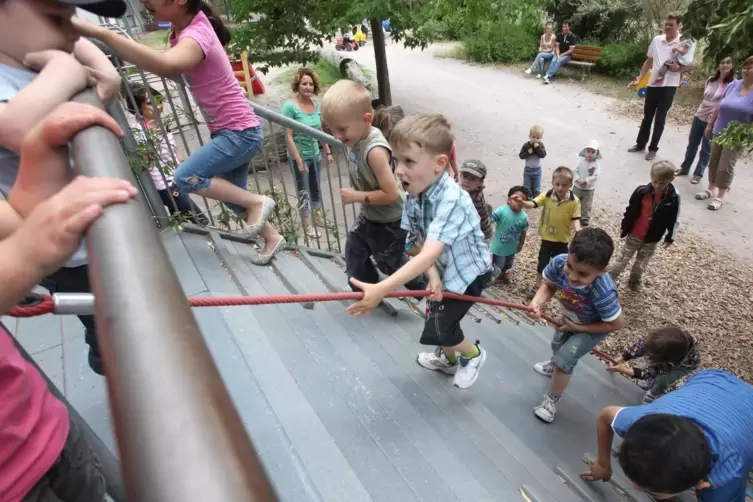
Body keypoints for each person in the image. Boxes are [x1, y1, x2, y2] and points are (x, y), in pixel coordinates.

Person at [74, 0, 286, 264]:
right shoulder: (183, 29)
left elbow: (169, 65)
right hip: (230, 131)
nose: (144, 2)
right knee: (233, 198)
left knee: (186, 177)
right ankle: (273, 237)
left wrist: (103, 34)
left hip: (239, 132)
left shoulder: (196, 33)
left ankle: (257, 202)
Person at [0, 102, 138, 502]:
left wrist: (39, 158)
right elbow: (20, 243)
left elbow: (15, 222)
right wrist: (24, 257)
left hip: (37, 419)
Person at [0, 0, 127, 376]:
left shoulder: (25, 56)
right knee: (110, 327)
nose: (73, 33)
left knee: (125, 307)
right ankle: (108, 359)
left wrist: (104, 69)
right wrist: (65, 67)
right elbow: (20, 130)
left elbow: (79, 45)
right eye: (56, 18)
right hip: (69, 249)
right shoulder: (16, 75)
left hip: (100, 225)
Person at [347, 113, 492, 389]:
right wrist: (434, 278)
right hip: (443, 268)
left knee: (440, 326)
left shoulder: (453, 200)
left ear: (439, 164)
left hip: (470, 273)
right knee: (433, 316)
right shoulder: (415, 193)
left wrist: (383, 288)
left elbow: (427, 252)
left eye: (409, 161)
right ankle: (448, 361)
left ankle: (472, 355)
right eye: (397, 161)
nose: (398, 170)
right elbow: (419, 244)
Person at [581, 370, 753, 502]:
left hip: (722, 391)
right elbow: (606, 416)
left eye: (654, 490)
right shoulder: (641, 422)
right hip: (711, 380)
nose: (635, 487)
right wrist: (603, 464)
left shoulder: (727, 475)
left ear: (701, 484)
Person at [321, 79, 426, 293]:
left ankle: (425, 286)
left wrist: (356, 196)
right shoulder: (356, 137)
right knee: (355, 248)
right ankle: (364, 288)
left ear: (366, 119)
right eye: (332, 129)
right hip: (372, 215)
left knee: (390, 262)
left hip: (390, 220)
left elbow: (390, 194)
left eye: (341, 129)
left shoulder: (375, 152)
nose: (337, 136)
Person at [526, 227, 625, 423]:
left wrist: (578, 329)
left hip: (590, 328)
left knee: (565, 359)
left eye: (582, 274)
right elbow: (549, 286)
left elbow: (616, 324)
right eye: (570, 267)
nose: (572, 276)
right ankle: (554, 365)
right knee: (557, 346)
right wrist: (537, 302)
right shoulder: (559, 261)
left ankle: (551, 401)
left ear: (603, 270)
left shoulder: (603, 291)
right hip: (570, 318)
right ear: (569, 249)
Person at [126, 83, 209, 225]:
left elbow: (173, 150)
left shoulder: (157, 123)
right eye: (149, 103)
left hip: (176, 178)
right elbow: (145, 164)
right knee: (201, 220)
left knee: (178, 220)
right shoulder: (141, 132)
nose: (157, 105)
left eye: (158, 100)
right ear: (138, 107)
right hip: (166, 186)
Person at [628, 13, 697, 161]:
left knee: (660, 118)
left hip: (669, 86)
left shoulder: (685, 42)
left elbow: (693, 64)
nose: (667, 27)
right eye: (666, 24)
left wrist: (678, 69)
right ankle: (640, 144)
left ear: (678, 25)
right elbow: (648, 62)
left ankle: (653, 148)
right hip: (653, 84)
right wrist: (640, 79)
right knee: (647, 116)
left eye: (671, 24)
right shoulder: (657, 40)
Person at [281, 67, 334, 239]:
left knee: (315, 188)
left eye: (311, 84)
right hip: (300, 156)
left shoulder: (315, 105)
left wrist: (327, 151)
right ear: (298, 84)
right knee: (303, 189)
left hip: (315, 156)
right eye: (304, 83)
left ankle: (318, 218)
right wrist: (298, 160)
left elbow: (319, 130)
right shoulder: (290, 107)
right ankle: (307, 225)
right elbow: (288, 136)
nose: (308, 87)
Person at [696, 55, 753, 211]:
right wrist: (710, 125)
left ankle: (720, 196)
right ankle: (710, 188)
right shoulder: (734, 85)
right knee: (713, 160)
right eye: (746, 67)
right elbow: (719, 106)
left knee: (725, 165)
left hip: (736, 135)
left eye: (751, 68)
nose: (747, 70)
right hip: (719, 128)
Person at [611, 161, 679, 291]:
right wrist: (625, 225)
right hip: (635, 232)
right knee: (623, 257)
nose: (658, 186)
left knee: (642, 262)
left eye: (662, 183)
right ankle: (610, 278)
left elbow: (674, 218)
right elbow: (630, 209)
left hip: (652, 237)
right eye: (655, 182)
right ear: (651, 177)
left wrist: (670, 236)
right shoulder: (641, 192)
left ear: (671, 180)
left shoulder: (673, 198)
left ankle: (634, 280)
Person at [515, 166, 581, 295]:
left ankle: (558, 286)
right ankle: (538, 286)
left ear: (570, 185)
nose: (560, 188)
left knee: (562, 264)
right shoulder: (547, 196)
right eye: (557, 184)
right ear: (552, 182)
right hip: (547, 237)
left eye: (564, 185)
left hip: (562, 239)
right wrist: (523, 203)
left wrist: (579, 231)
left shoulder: (575, 201)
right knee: (543, 262)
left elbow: (576, 218)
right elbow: (533, 203)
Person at [677, 57, 735, 184]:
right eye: (722, 62)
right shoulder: (711, 80)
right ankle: (684, 168)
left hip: (715, 119)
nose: (725, 65)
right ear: (718, 65)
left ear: (732, 66)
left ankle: (698, 173)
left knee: (706, 148)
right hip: (700, 115)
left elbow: (726, 103)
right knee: (692, 144)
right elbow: (705, 96)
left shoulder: (732, 85)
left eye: (728, 63)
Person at [607, 326, 700, 403]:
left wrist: (623, 370)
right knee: (649, 364)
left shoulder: (672, 361)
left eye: (652, 354)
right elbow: (640, 346)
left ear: (663, 359)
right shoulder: (660, 338)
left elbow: (648, 373)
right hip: (667, 356)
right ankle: (648, 382)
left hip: (683, 366)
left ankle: (653, 394)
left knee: (662, 379)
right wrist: (622, 358)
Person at [490, 186, 530, 284]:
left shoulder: (524, 216)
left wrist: (521, 243)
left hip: (511, 247)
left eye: (522, 200)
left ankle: (502, 274)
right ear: (509, 200)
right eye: (516, 199)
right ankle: (491, 278)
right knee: (499, 264)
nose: (519, 202)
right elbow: (490, 220)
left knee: (508, 264)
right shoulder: (502, 211)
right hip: (499, 247)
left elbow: (523, 231)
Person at [458, 160, 493, 241]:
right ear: (460, 176)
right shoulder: (472, 189)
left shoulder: (475, 200)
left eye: (473, 179)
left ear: (480, 182)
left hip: (482, 234)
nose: (467, 181)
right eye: (465, 176)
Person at [572, 140, 601, 227]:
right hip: (577, 186)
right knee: (574, 201)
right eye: (588, 151)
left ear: (597, 153)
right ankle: (573, 215)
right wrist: (578, 180)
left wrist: (586, 181)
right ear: (584, 151)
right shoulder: (580, 161)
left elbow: (596, 176)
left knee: (586, 204)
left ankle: (584, 218)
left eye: (593, 152)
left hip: (589, 189)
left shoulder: (596, 164)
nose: (590, 154)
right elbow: (574, 171)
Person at [519, 124, 546, 198]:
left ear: (541, 138)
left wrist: (538, 148)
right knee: (527, 186)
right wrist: (528, 152)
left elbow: (543, 155)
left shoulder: (540, 145)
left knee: (537, 187)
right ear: (530, 136)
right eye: (533, 137)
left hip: (537, 170)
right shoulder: (526, 145)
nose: (535, 139)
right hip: (528, 170)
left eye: (538, 138)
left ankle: (536, 199)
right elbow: (521, 156)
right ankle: (528, 198)